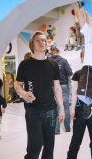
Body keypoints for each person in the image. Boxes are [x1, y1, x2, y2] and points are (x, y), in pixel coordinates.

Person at [15, 31, 65, 159]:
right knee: (35, 146)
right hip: (33, 110)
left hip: (51, 109)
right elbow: (18, 85)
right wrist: (24, 93)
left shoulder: (53, 64)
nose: (42, 42)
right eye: (38, 40)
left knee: (49, 147)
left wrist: (62, 109)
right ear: (32, 44)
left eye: (44, 40)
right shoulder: (25, 64)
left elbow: (57, 87)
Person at [67, 50, 92, 159]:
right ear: (81, 59)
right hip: (79, 110)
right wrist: (72, 108)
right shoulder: (77, 74)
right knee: (76, 139)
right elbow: (74, 92)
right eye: (84, 57)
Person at [50, 47, 73, 134]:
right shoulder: (63, 61)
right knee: (66, 107)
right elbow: (70, 73)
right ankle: (67, 128)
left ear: (51, 52)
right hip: (63, 86)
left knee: (55, 107)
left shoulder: (48, 61)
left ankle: (56, 130)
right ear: (58, 52)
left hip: (52, 87)